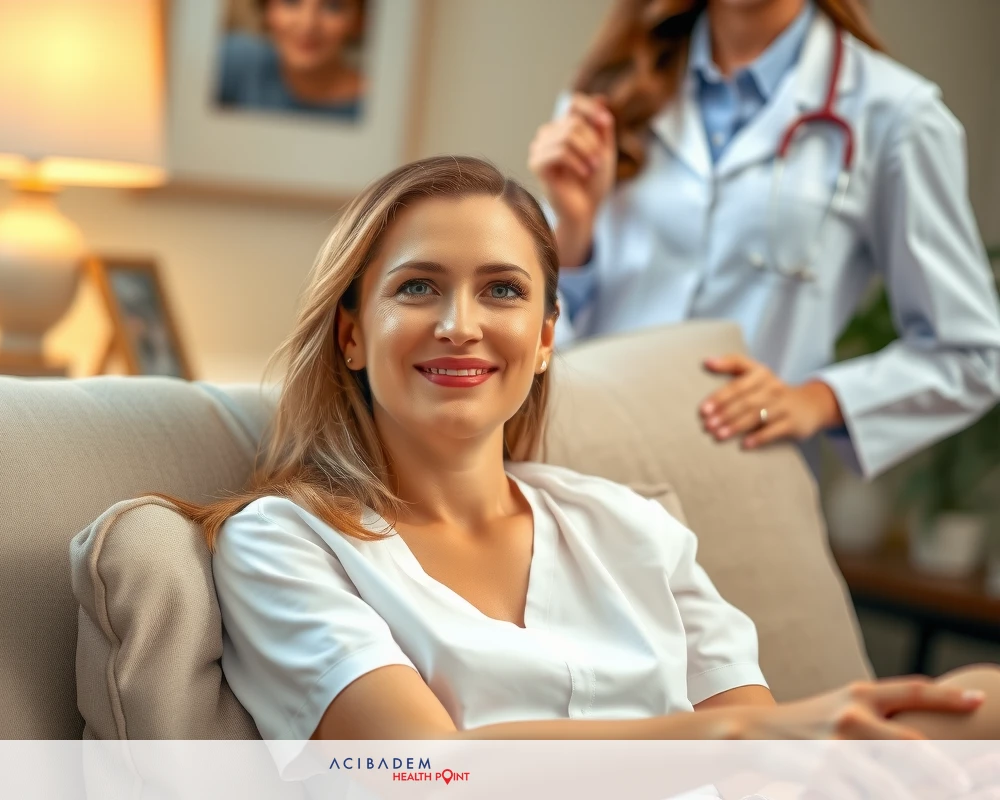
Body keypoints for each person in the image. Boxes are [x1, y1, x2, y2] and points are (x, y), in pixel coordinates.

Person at [156, 157, 998, 774]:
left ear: (548, 335)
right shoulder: (284, 542)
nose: (460, 324)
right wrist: (743, 738)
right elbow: (427, 770)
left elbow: (767, 757)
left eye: (503, 290)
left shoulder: (630, 526)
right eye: (417, 288)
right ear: (350, 333)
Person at [527, 0, 1000, 479]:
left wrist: (818, 399)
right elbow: (544, 320)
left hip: (740, 477)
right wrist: (573, 225)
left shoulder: (897, 117)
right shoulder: (613, 91)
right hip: (586, 458)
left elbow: (972, 354)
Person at [217, 0, 366, 121]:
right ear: (268, 8)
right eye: (291, 2)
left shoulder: (377, 107)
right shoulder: (235, 59)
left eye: (333, 6)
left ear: (360, 19)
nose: (308, 25)